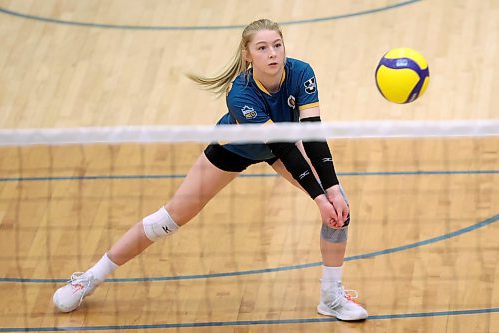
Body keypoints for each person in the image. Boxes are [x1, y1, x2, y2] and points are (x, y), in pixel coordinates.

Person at [52, 18, 368, 321]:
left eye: (277, 45)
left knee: (340, 210)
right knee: (169, 219)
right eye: (262, 48)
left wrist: (333, 190)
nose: (272, 54)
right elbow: (282, 145)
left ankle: (330, 297)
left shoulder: (302, 73)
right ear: (247, 55)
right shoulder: (240, 93)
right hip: (235, 148)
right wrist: (318, 196)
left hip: (284, 143)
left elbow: (312, 135)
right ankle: (90, 278)